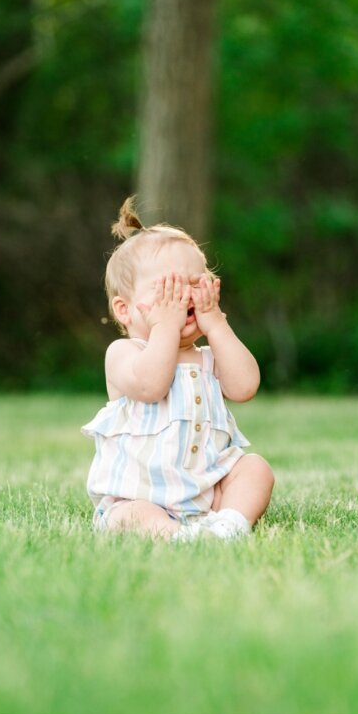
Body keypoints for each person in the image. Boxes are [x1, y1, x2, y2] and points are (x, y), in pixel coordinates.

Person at [82, 198, 275, 541]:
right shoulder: (124, 353)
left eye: (193, 284)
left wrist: (216, 325)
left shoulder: (208, 356)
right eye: (168, 290)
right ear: (124, 310)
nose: (182, 298)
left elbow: (245, 387)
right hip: (139, 497)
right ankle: (174, 535)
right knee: (132, 515)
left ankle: (229, 524)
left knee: (255, 468)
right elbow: (152, 386)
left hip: (206, 496)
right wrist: (166, 328)